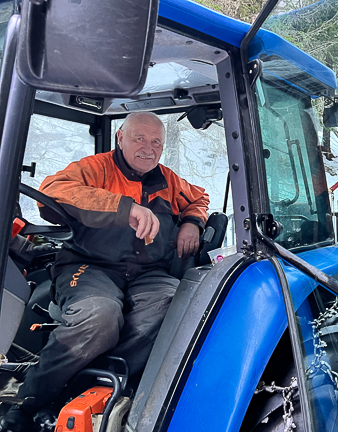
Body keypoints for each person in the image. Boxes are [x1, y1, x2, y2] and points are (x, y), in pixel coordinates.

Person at [0, 112, 209, 432]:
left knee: (175, 308)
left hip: (148, 272)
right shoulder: (95, 168)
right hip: (89, 265)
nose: (148, 148)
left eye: (156, 142)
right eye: (139, 138)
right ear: (120, 138)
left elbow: (199, 198)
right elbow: (52, 190)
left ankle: (92, 385)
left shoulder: (168, 180)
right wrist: (124, 208)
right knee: (100, 315)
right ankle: (31, 402)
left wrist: (192, 223)